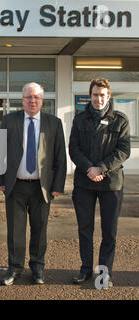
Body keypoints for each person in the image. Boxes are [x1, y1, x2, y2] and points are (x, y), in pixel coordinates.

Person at [0, 82, 67, 285]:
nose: (32, 101)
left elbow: (60, 156)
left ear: (42, 100)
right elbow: (0, 150)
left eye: (36, 97)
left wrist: (57, 185)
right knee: (15, 231)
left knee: (39, 229)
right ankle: (14, 268)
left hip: (41, 187)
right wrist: (0, 179)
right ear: (23, 100)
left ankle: (37, 268)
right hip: (15, 186)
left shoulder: (54, 123)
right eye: (29, 97)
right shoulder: (10, 120)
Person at [69, 78, 130, 289]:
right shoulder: (79, 120)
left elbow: (123, 150)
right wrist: (89, 169)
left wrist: (101, 168)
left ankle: (105, 273)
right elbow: (73, 149)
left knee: (109, 231)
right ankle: (86, 269)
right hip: (84, 182)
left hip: (111, 183)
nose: (98, 99)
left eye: (102, 95)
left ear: (108, 96)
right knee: (85, 229)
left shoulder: (120, 120)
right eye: (95, 94)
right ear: (90, 95)